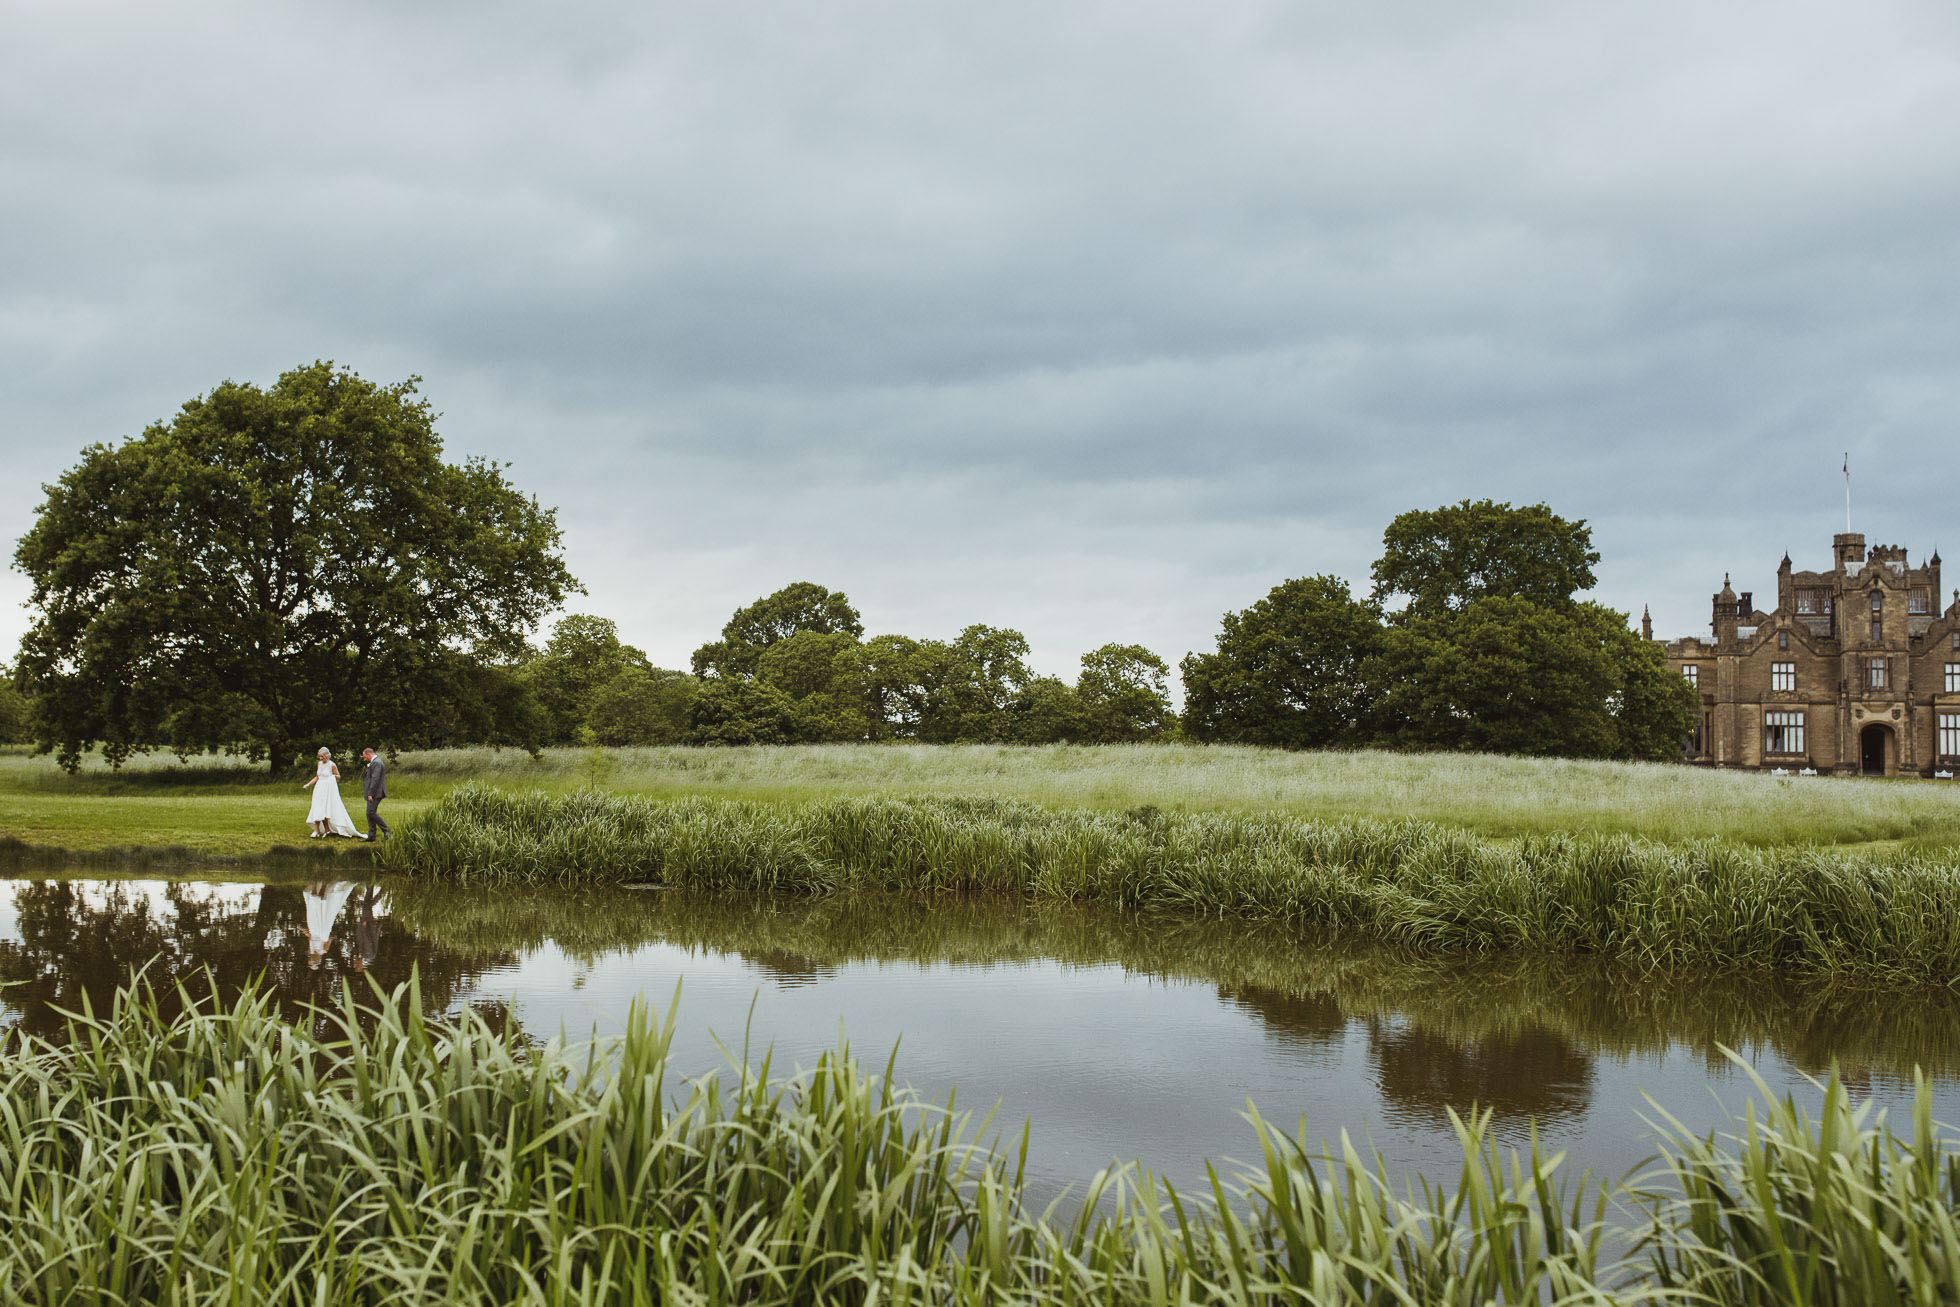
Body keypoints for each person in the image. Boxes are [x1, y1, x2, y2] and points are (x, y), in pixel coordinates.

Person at [302, 747, 361, 839]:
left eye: (322, 757)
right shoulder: (319, 764)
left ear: (326, 756)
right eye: (319, 757)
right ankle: (316, 830)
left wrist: (331, 777)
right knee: (317, 808)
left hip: (327, 789)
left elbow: (338, 777)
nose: (321, 759)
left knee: (325, 809)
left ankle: (327, 829)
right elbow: (317, 777)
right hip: (319, 788)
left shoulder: (332, 765)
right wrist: (308, 784)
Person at [301, 880, 355, 969]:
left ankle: (315, 885)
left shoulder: (311, 950)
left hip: (313, 929)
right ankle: (324, 886)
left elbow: (310, 937)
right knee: (321, 908)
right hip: (322, 930)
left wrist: (302, 930)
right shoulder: (323, 950)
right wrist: (325, 938)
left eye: (310, 959)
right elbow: (330, 938)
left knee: (313, 907)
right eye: (312, 960)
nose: (311, 958)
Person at [361, 746, 391, 842]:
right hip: (373, 792)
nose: (365, 759)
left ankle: (387, 830)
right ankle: (371, 836)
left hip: (376, 793)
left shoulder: (377, 763)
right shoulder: (374, 763)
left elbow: (375, 780)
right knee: (369, 813)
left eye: (365, 757)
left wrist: (370, 793)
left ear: (369, 754)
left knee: (371, 812)